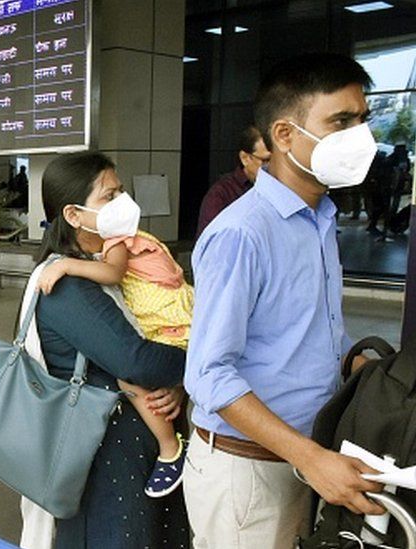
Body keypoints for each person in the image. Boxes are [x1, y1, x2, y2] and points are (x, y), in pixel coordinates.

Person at [182, 53, 385, 549]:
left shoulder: (319, 221)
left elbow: (314, 334)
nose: (359, 136)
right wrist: (312, 460)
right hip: (247, 474)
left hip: (305, 460)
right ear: (285, 135)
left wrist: (372, 371)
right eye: (340, 122)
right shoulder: (242, 234)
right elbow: (208, 375)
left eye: (362, 120)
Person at [24, 151, 188, 548]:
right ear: (74, 215)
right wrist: (199, 362)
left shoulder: (110, 262)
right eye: (109, 196)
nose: (123, 202)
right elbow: (137, 360)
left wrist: (178, 384)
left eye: (121, 191)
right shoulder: (65, 285)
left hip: (131, 448)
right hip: (103, 460)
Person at [195, 126, 270, 238]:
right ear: (245, 158)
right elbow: (209, 242)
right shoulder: (221, 194)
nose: (272, 166)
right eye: (265, 161)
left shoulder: (282, 187)